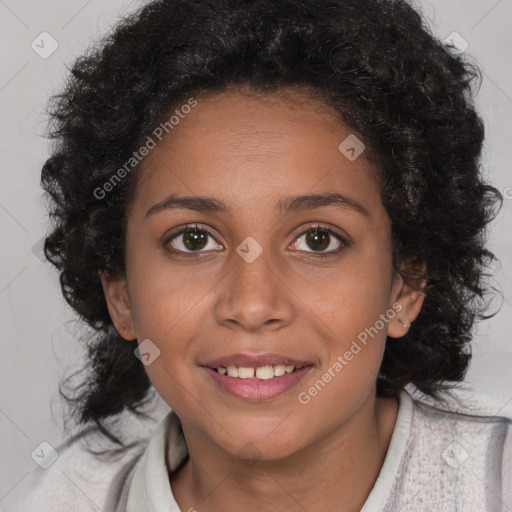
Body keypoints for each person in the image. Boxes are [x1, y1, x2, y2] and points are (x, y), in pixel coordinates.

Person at [2, 0, 511, 510]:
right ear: (121, 294)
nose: (251, 304)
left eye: (317, 239)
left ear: (404, 285)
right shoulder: (64, 496)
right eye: (194, 240)